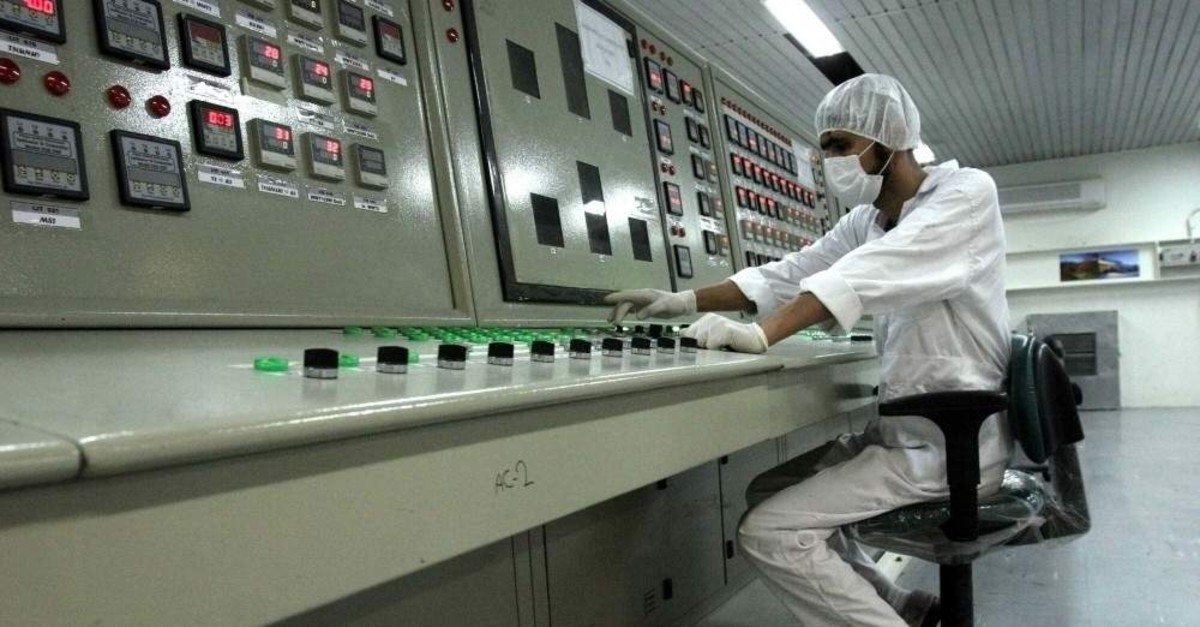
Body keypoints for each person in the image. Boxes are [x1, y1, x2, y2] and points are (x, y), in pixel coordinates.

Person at [605, 74, 1012, 627]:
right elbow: (790, 274)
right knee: (768, 487)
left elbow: (864, 274)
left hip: (949, 448)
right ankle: (898, 606)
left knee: (768, 532)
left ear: (889, 141)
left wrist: (762, 335)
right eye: (826, 149)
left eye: (842, 146)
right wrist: (679, 299)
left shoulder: (965, 196)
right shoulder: (867, 220)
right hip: (906, 434)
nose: (832, 161)